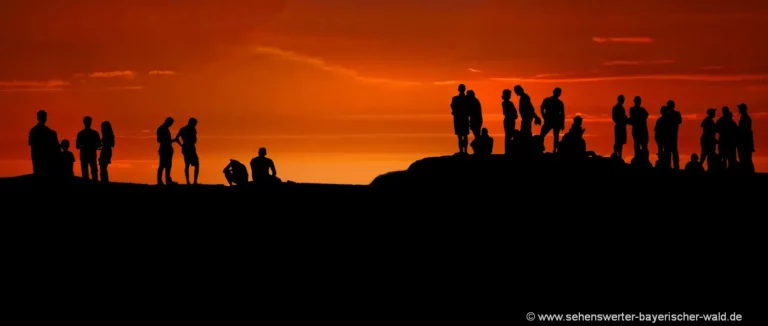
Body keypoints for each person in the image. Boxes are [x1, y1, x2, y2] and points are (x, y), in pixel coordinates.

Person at [28, 110, 59, 176]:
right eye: (44, 117)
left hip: (41, 158)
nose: (44, 118)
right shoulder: (48, 131)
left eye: (44, 117)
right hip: (41, 158)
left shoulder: (35, 130)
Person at [539, 87, 565, 153]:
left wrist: (562, 123)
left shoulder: (559, 103)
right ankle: (540, 148)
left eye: (559, 92)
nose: (558, 94)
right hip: (549, 120)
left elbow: (562, 114)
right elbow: (542, 109)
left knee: (555, 136)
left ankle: (554, 150)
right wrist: (544, 117)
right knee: (542, 135)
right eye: (557, 92)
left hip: (556, 121)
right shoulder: (548, 100)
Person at [174, 118, 200, 185]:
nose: (195, 125)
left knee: (189, 164)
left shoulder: (184, 129)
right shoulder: (186, 129)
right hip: (188, 148)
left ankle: (192, 181)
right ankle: (191, 181)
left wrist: (182, 145)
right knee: (190, 164)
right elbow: (176, 138)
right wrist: (181, 145)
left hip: (188, 147)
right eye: (195, 124)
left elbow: (176, 138)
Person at [76, 116, 101, 181]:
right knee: (93, 172)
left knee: (86, 172)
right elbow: (99, 144)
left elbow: (77, 146)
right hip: (91, 154)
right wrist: (92, 146)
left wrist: (84, 146)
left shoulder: (80, 133)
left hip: (84, 155)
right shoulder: (95, 133)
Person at [156, 117, 177, 185]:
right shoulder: (161, 129)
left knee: (168, 165)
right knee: (162, 165)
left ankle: (167, 180)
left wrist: (171, 141)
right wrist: (171, 140)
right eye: (171, 123)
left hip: (167, 149)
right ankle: (160, 181)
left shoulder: (164, 129)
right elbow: (159, 140)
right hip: (164, 149)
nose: (171, 125)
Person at [451, 84, 470, 154]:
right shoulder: (466, 99)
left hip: (460, 118)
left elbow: (453, 108)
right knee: (463, 135)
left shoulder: (456, 99)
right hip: (462, 118)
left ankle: (462, 151)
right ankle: (464, 151)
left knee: (461, 136)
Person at [628, 96, 649, 160]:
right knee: (638, 145)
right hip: (639, 130)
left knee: (642, 145)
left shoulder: (638, 110)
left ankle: (644, 159)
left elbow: (633, 119)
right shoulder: (636, 110)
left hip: (641, 131)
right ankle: (639, 158)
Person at [665, 100, 683, 170]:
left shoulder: (669, 115)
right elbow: (680, 121)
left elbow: (680, 121)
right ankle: (674, 166)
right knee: (672, 151)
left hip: (671, 135)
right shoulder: (675, 114)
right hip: (671, 135)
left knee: (671, 151)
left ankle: (673, 166)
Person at [737, 103, 755, 173]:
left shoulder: (745, 118)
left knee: (746, 159)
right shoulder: (744, 117)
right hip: (745, 142)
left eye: (740, 108)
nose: (739, 110)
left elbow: (744, 130)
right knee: (746, 159)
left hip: (745, 142)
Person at [501, 89, 518, 154]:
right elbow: (506, 112)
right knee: (508, 135)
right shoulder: (506, 103)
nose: (510, 95)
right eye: (509, 94)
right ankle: (508, 151)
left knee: (509, 135)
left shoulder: (507, 103)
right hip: (509, 120)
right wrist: (513, 116)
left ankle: (508, 150)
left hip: (510, 120)